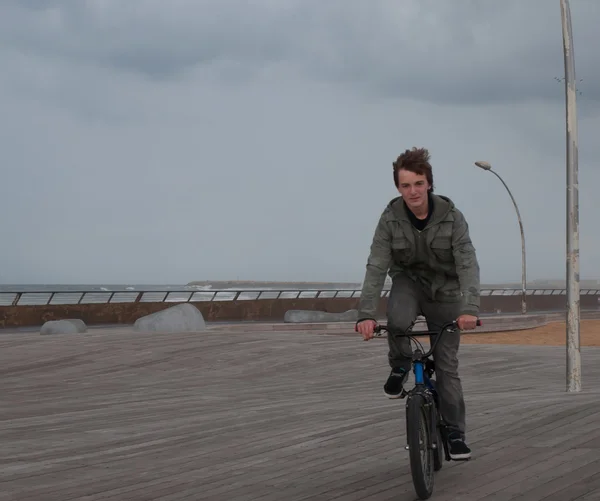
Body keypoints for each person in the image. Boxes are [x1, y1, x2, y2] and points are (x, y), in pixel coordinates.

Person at [355, 147, 480, 460]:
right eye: (405, 185)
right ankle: (400, 365)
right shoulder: (390, 219)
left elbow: (467, 263)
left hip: (447, 293)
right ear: (398, 187)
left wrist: (469, 309)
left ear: (429, 184)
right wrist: (366, 314)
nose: (412, 191)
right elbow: (376, 266)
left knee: (448, 367)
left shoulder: (452, 217)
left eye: (418, 184)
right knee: (397, 321)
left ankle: (454, 432)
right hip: (409, 285)